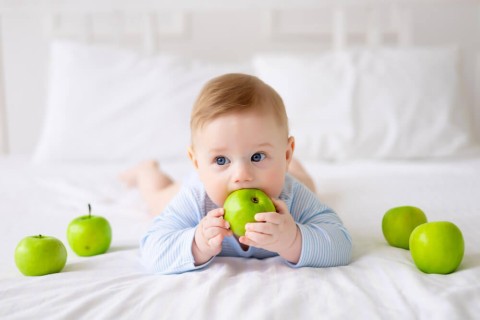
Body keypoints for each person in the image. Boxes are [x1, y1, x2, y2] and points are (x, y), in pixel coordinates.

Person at [122, 73, 352, 274]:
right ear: (197, 162)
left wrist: (293, 240)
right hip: (200, 184)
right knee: (157, 199)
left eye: (257, 156)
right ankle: (146, 170)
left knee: (306, 184)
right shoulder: (196, 198)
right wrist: (197, 244)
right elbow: (152, 249)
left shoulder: (292, 196)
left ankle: (292, 166)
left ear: (286, 153)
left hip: (286, 174)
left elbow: (341, 244)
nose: (241, 175)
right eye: (221, 160)